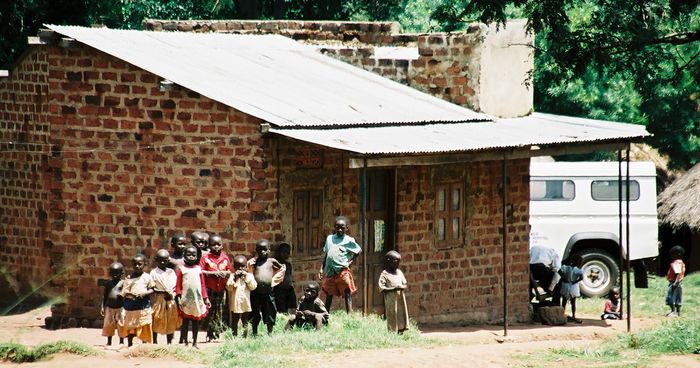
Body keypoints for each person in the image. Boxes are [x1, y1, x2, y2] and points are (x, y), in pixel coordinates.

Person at [319, 216, 362, 313]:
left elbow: (358, 251)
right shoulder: (330, 238)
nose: (339, 229)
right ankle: (326, 316)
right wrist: (322, 268)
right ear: (334, 227)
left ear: (347, 228)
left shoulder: (349, 240)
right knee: (329, 293)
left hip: (342, 271)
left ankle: (349, 316)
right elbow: (327, 255)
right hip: (330, 271)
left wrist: (350, 262)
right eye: (337, 227)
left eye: (342, 227)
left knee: (347, 293)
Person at [247, 239, 285, 336]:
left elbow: (282, 268)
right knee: (255, 312)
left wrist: (275, 279)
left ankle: (270, 332)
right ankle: (254, 332)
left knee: (269, 311)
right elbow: (249, 270)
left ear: (269, 250)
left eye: (264, 249)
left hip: (268, 292)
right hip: (256, 291)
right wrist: (250, 266)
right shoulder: (254, 262)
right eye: (259, 250)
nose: (262, 252)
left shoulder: (271, 261)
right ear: (256, 250)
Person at [176, 245, 211, 348]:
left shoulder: (198, 269)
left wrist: (206, 298)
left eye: (193, 255)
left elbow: (203, 285)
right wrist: (178, 298)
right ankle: (185, 341)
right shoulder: (182, 269)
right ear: (184, 256)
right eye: (189, 254)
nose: (191, 257)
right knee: (185, 322)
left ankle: (195, 342)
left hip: (197, 300)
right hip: (186, 300)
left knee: (196, 321)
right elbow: (178, 285)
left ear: (197, 257)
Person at [200, 234, 231, 342]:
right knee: (210, 312)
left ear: (222, 246)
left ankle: (217, 332)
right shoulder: (206, 258)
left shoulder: (225, 257)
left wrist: (225, 273)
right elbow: (201, 271)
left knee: (220, 311)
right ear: (208, 245)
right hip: (210, 289)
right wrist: (212, 274)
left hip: (221, 289)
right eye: (213, 244)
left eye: (219, 244)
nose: (216, 247)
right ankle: (209, 333)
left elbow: (230, 271)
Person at [121, 254, 154, 346]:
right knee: (131, 326)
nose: (137, 266)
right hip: (131, 306)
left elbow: (153, 289)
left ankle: (144, 344)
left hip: (143, 306)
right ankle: (130, 344)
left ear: (145, 264)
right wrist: (130, 295)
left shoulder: (147, 277)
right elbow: (124, 291)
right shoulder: (129, 278)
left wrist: (144, 293)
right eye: (135, 264)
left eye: (139, 264)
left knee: (144, 325)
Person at [150, 249, 181, 344]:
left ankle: (169, 341)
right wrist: (162, 292)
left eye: (165, 260)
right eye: (160, 260)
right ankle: (154, 341)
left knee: (171, 319)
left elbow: (175, 285)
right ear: (156, 260)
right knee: (157, 318)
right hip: (159, 299)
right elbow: (152, 286)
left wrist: (171, 294)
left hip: (170, 299)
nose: (163, 262)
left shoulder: (171, 272)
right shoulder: (154, 272)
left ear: (168, 260)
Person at [225, 254, 257, 337]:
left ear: (246, 267)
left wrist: (246, 278)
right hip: (235, 304)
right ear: (234, 267)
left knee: (245, 320)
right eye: (237, 266)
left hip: (245, 303)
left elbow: (253, 287)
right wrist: (235, 278)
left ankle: (245, 336)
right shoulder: (232, 276)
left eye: (242, 266)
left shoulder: (249, 276)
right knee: (234, 320)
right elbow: (229, 288)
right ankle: (234, 335)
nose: (240, 269)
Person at [378, 250, 409, 334]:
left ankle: (401, 329)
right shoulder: (385, 274)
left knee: (401, 313)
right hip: (391, 299)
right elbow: (381, 288)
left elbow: (405, 284)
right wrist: (393, 289)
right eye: (395, 262)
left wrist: (401, 287)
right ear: (388, 262)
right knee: (392, 314)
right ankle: (392, 331)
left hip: (400, 298)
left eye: (398, 262)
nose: (397, 264)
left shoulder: (399, 272)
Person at [100, 262, 126, 346]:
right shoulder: (109, 283)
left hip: (120, 307)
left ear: (121, 273)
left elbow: (126, 292)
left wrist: (122, 295)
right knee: (109, 325)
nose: (115, 275)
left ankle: (121, 341)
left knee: (121, 324)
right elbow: (105, 295)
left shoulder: (123, 283)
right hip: (109, 308)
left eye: (117, 273)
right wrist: (102, 306)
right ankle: (109, 341)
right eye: (113, 273)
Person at [559, 255, 584, 324]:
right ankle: (573, 315)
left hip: (565, 285)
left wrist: (563, 278)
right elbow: (582, 277)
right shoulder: (578, 270)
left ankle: (562, 315)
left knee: (564, 301)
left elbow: (559, 271)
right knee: (573, 302)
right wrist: (574, 281)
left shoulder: (566, 268)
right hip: (573, 286)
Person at [273, 242, 296, 315]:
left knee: (291, 304)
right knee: (281, 307)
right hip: (279, 289)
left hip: (288, 289)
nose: (285, 254)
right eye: (283, 252)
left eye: (287, 252)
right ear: (278, 252)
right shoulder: (275, 265)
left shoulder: (288, 265)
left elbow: (289, 276)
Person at [666, 245, 686, 317]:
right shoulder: (681, 262)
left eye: (672, 254)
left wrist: (675, 283)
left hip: (674, 282)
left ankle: (673, 312)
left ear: (678, 254)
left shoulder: (676, 262)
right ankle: (678, 312)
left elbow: (677, 273)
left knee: (671, 297)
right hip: (680, 283)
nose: (671, 256)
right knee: (678, 297)